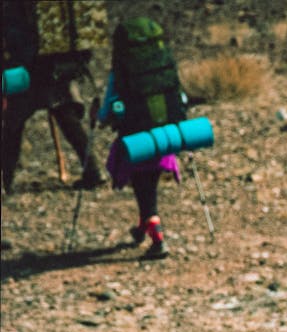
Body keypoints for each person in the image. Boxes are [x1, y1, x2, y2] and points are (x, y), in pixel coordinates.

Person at [97, 18, 186, 260]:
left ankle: (157, 237)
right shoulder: (162, 65)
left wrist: (101, 117)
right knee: (149, 186)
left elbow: (107, 110)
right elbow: (182, 97)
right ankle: (141, 227)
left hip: (135, 141)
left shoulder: (121, 72)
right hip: (164, 137)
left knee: (142, 184)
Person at [1, 0, 105, 194]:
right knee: (67, 118)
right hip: (55, 66)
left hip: (31, 69)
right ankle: (93, 171)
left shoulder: (12, 6)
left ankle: (5, 179)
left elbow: (12, 35)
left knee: (13, 125)